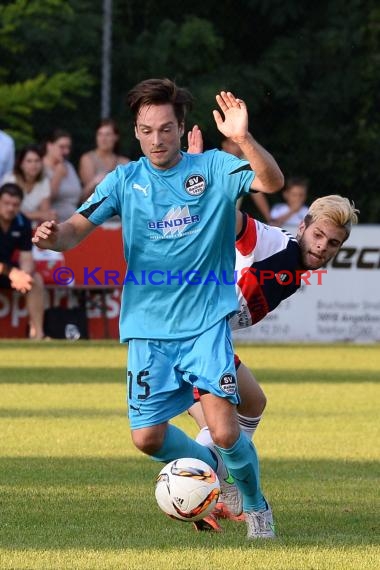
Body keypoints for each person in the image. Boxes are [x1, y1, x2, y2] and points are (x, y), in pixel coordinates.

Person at [32, 78, 284, 540]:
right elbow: (73, 230)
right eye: (147, 130)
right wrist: (54, 238)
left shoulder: (212, 168)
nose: (156, 139)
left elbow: (272, 181)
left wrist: (243, 138)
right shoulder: (125, 181)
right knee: (146, 438)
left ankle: (256, 509)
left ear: (180, 126)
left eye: (166, 129)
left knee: (227, 432)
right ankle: (207, 467)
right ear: (136, 131)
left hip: (206, 323)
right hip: (148, 330)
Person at [188, 194, 359, 522]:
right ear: (302, 227)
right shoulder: (275, 245)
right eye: (318, 235)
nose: (323, 246)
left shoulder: (294, 269)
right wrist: (203, 184)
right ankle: (209, 495)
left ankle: (212, 489)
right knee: (220, 428)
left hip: (204, 335)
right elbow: (236, 222)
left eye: (333, 243)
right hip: (193, 334)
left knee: (250, 405)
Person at [0, 183, 45, 339]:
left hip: (7, 271)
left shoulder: (22, 222)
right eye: (6, 203)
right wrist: (12, 273)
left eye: (15, 205)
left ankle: (37, 334)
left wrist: (24, 275)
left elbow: (27, 257)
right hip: (7, 270)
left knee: (35, 280)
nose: (11, 208)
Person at [221, 136, 271, 222]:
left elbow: (256, 193)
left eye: (237, 144)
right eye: (232, 144)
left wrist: (269, 219)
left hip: (229, 217)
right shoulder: (216, 162)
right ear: (224, 144)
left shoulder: (246, 162)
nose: (227, 146)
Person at [2, 144, 55, 224]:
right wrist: (38, 215)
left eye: (37, 161)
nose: (33, 165)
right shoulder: (10, 180)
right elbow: (7, 212)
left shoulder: (44, 182)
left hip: (34, 228)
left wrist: (38, 215)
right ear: (21, 164)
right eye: (29, 161)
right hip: (11, 226)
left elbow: (46, 214)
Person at [79, 118, 130, 201]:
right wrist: (95, 181)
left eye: (108, 134)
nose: (103, 139)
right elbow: (85, 194)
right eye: (100, 134)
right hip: (95, 208)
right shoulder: (88, 159)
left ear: (116, 137)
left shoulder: (124, 162)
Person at [43, 129, 82, 222]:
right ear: (49, 146)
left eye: (68, 147)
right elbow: (47, 198)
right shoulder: (39, 167)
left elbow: (78, 195)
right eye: (62, 147)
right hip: (53, 223)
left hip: (73, 220)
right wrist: (57, 175)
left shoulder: (68, 165)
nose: (66, 151)